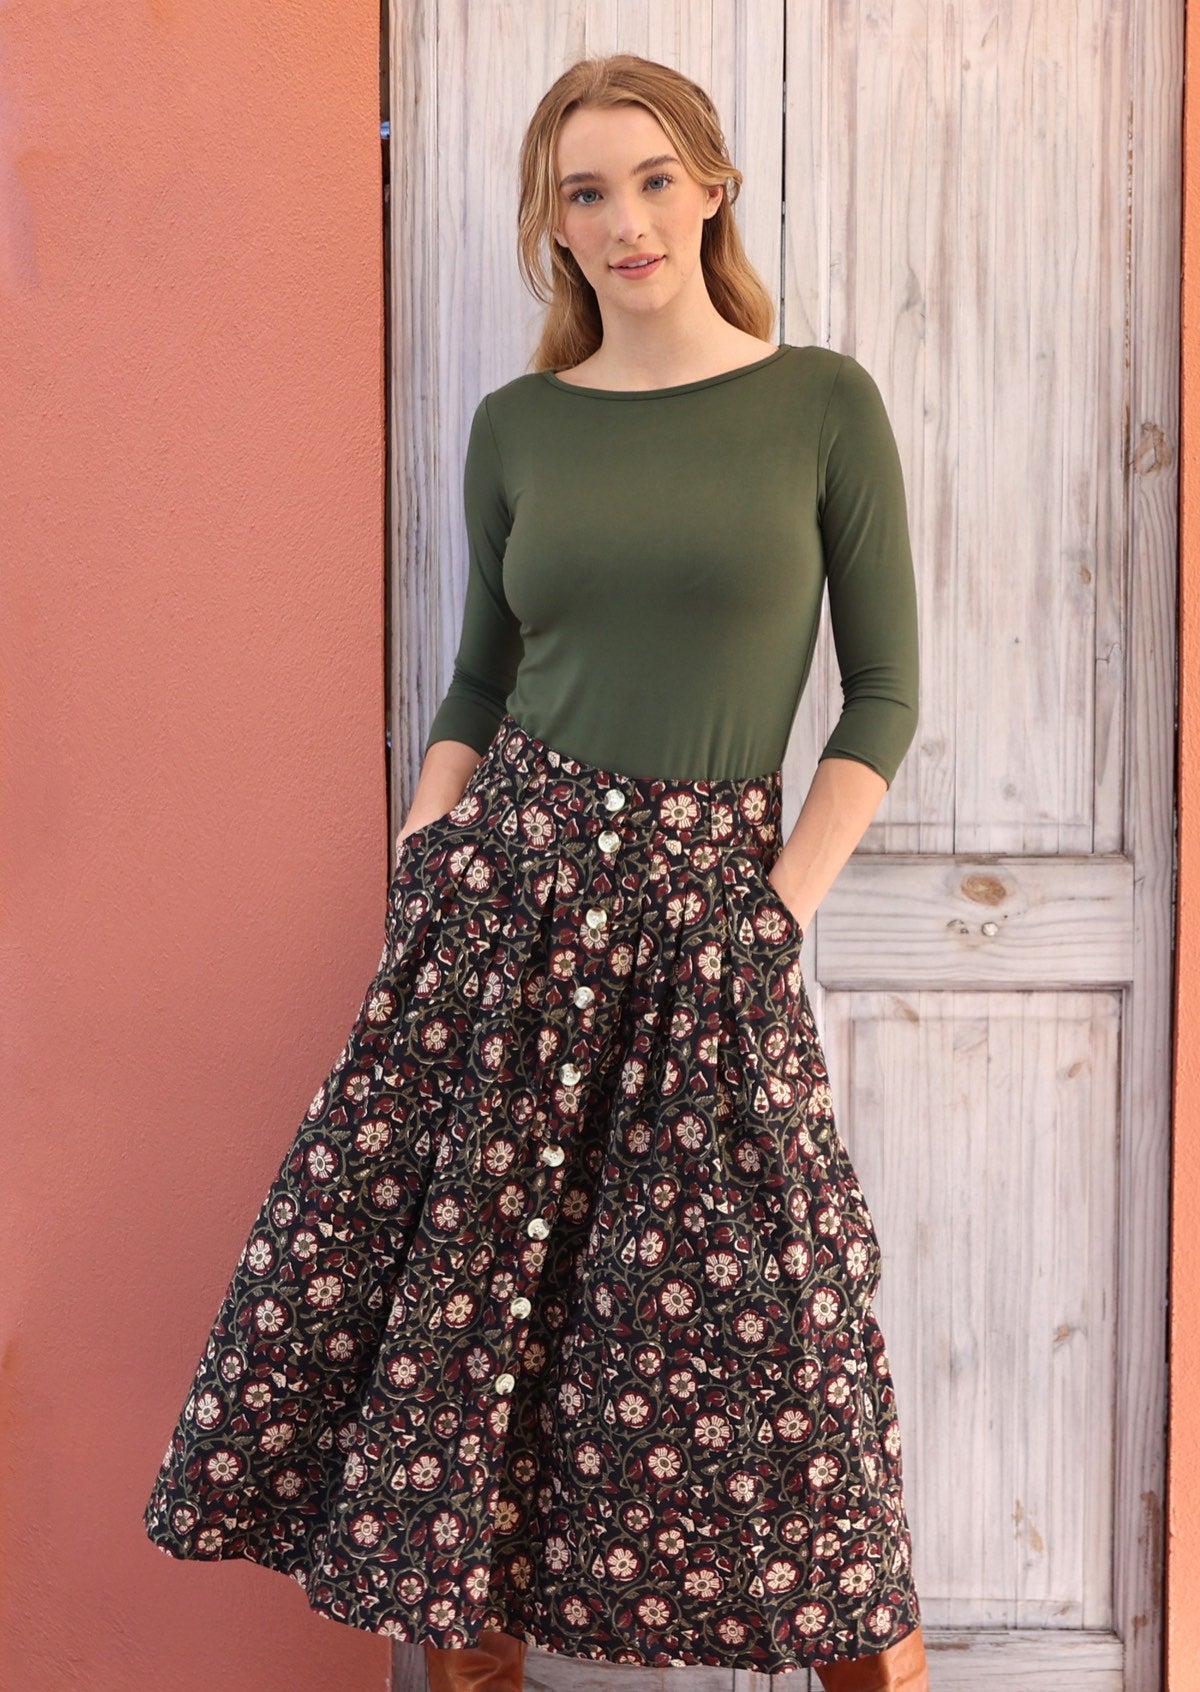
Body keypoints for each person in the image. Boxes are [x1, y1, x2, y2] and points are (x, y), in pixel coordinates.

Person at [143, 51, 929, 1692]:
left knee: (773, 1344)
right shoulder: (519, 429)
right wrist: (432, 846)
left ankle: (864, 1656)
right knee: (468, 1328)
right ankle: (476, 1657)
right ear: (551, 227)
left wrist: (774, 907)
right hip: (505, 909)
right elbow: (481, 679)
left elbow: (888, 693)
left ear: (711, 187)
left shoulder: (821, 404)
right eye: (587, 191)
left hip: (709, 914)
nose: (627, 219)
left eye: (654, 179)